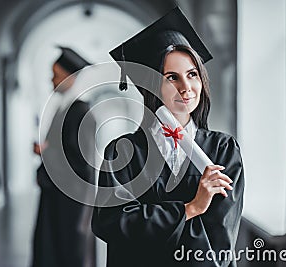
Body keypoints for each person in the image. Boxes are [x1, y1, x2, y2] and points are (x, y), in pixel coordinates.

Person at [92, 7, 244, 267]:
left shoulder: (223, 150)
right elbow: (111, 222)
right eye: (172, 77)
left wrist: (151, 223)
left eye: (192, 74)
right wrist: (190, 208)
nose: (186, 88)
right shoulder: (123, 152)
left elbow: (220, 235)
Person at [31, 46, 97, 267]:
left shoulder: (81, 112)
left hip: (71, 202)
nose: (51, 80)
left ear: (70, 77)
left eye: (56, 75)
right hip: (58, 197)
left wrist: (47, 151)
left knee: (70, 254)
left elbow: (81, 163)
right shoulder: (66, 108)